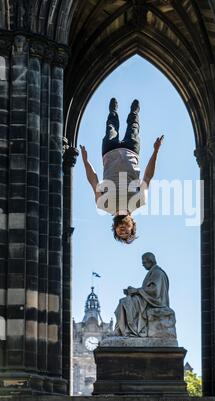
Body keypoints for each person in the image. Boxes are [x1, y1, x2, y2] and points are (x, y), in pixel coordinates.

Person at [80, 98, 163, 244]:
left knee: (111, 126)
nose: (123, 231)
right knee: (133, 126)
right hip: (131, 152)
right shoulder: (139, 202)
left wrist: (86, 161)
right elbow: (148, 177)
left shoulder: (103, 205)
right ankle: (134, 112)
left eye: (121, 233)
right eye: (127, 232)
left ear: (115, 228)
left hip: (108, 152)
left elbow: (93, 180)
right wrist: (155, 151)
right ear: (132, 225)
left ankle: (113, 111)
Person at [113, 252, 170, 337]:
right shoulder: (153, 272)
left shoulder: (157, 272)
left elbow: (154, 291)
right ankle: (121, 329)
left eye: (144, 263)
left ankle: (126, 330)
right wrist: (133, 291)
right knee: (124, 301)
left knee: (125, 302)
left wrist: (135, 291)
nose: (143, 265)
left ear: (150, 261)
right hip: (148, 299)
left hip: (155, 302)